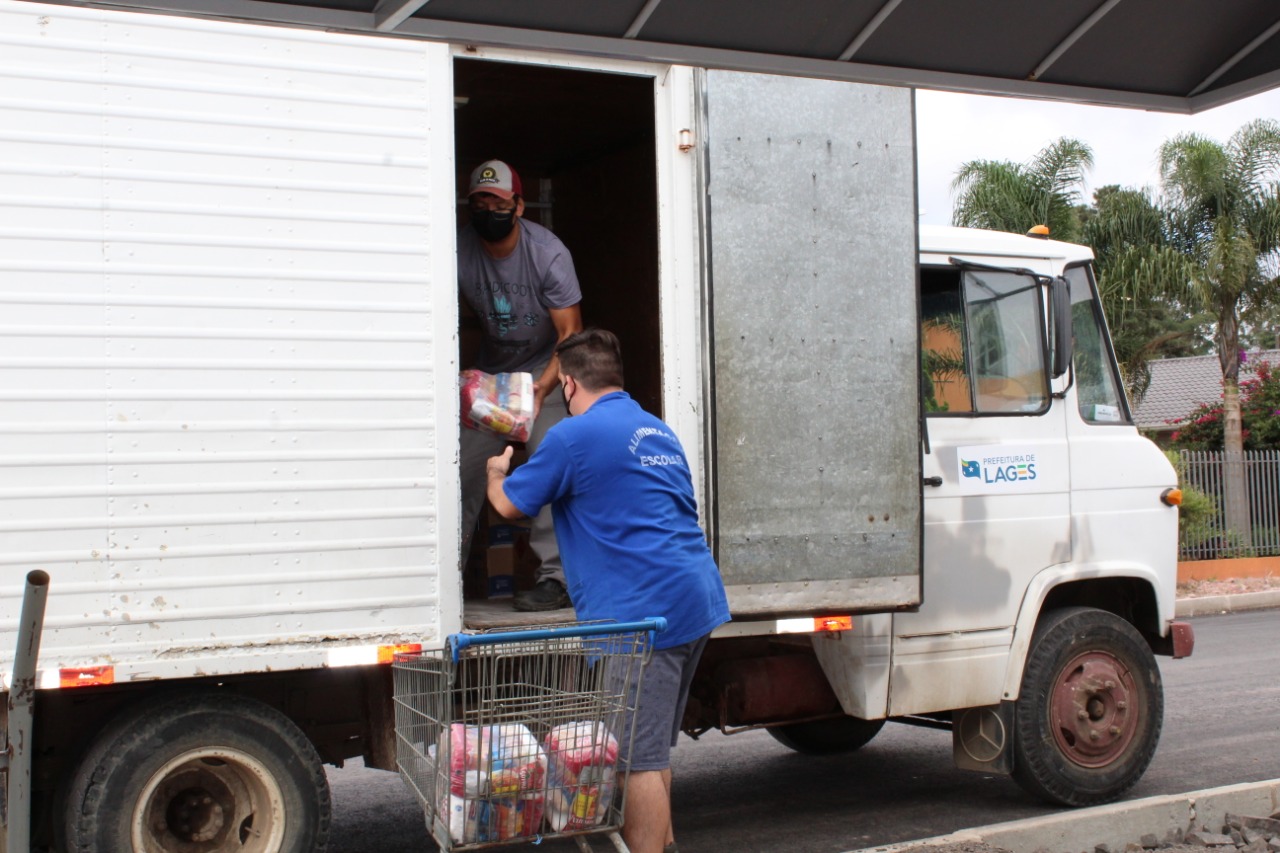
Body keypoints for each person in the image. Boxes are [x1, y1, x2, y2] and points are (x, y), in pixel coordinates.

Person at [485, 329, 731, 853]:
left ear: (568, 385)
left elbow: (509, 506)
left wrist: (494, 473)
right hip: (694, 601)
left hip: (643, 616)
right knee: (652, 751)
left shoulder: (573, 437)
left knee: (636, 761)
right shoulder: (657, 430)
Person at [458, 159, 582, 611]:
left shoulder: (547, 253)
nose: (487, 207)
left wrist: (543, 389)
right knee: (461, 470)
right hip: (493, 382)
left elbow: (571, 335)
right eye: (479, 200)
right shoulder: (459, 251)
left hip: (545, 374)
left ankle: (557, 580)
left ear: (518, 205)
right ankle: (444, 575)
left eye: (497, 200)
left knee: (554, 463)